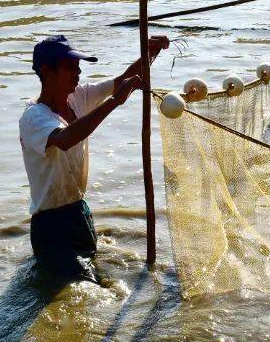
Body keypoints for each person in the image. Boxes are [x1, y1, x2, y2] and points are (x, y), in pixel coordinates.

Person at [18, 34, 169, 283]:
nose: (77, 73)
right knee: (86, 286)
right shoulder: (34, 117)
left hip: (79, 213)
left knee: (90, 279)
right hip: (51, 224)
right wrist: (113, 102)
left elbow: (123, 82)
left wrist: (151, 53)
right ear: (47, 71)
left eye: (78, 67)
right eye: (69, 67)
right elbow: (65, 139)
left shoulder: (78, 96)